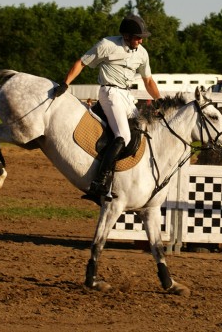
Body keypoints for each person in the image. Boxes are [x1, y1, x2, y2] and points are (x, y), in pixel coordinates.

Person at [53, 14, 161, 197]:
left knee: (141, 130)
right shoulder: (107, 45)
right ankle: (98, 182)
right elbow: (81, 62)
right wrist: (65, 83)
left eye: (142, 37)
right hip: (109, 92)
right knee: (123, 136)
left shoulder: (142, 53)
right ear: (126, 35)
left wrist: (159, 100)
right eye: (137, 36)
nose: (141, 40)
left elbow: (148, 80)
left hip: (127, 95)